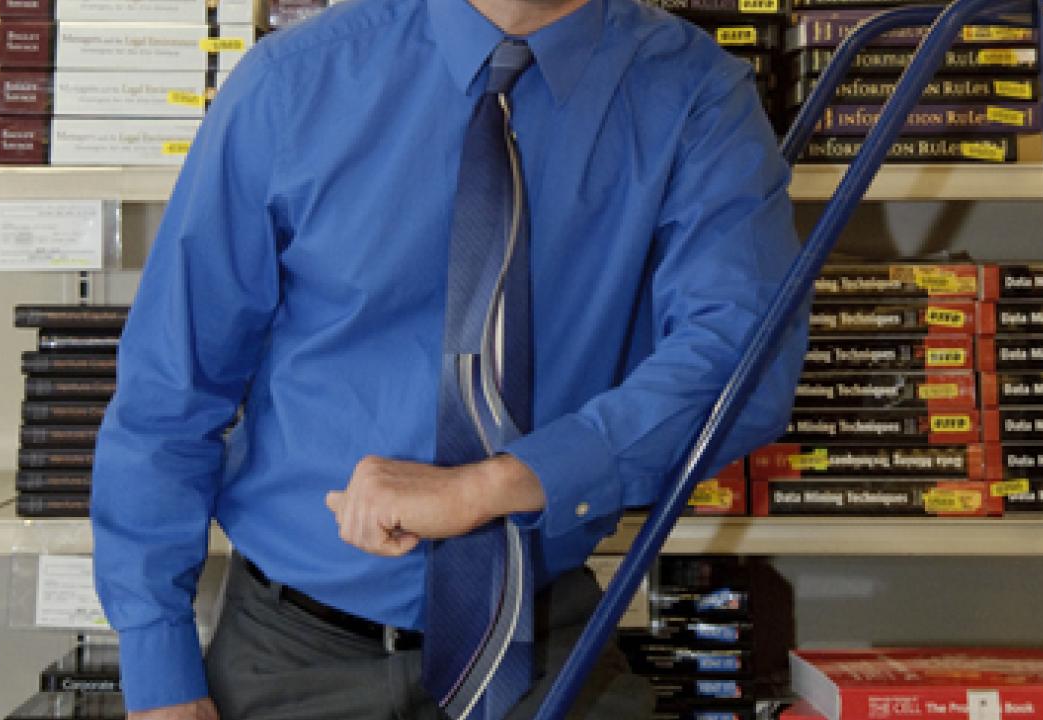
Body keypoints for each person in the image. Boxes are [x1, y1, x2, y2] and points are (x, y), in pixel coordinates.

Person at [91, 0, 806, 717]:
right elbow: (172, 387)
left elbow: (743, 360)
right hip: (291, 659)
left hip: (541, 645)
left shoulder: (696, 94)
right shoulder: (291, 83)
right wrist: (159, 671)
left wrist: (493, 486)